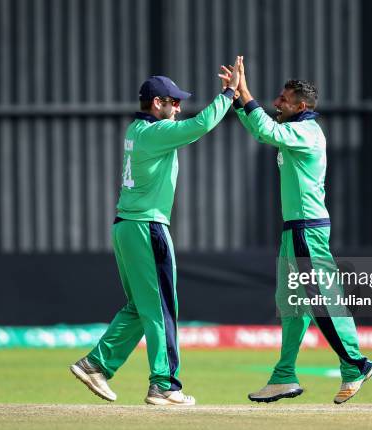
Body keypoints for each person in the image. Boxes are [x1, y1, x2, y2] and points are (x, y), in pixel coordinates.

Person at [70, 57, 242, 406]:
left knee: (141, 306)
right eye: (173, 101)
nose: (179, 106)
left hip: (127, 226)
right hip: (147, 226)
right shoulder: (157, 132)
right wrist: (229, 92)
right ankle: (164, 384)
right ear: (156, 103)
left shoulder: (136, 131)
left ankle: (96, 364)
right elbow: (202, 124)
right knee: (161, 307)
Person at [220, 58, 372, 404]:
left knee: (322, 299)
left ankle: (356, 365)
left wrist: (244, 92)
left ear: (301, 106)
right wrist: (238, 101)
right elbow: (261, 129)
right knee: (291, 304)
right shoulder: (294, 130)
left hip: (308, 228)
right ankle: (284, 376)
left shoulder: (305, 132)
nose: (277, 103)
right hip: (295, 229)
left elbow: (267, 131)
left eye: (283, 100)